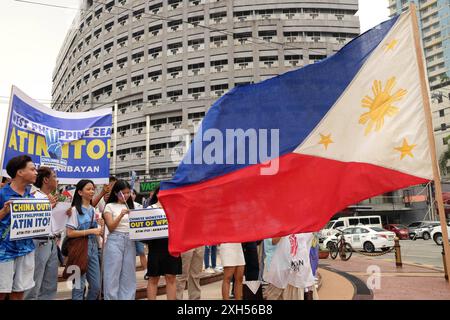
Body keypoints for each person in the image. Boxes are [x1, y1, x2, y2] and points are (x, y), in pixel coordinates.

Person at [0, 155, 37, 300]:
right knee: (2, 291)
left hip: (26, 249)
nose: (36, 172)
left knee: (19, 291)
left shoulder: (32, 197)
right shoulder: (2, 194)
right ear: (19, 172)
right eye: (32, 169)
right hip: (4, 251)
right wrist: (3, 212)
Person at [24, 167, 59, 300]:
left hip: (52, 241)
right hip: (38, 241)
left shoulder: (52, 198)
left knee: (50, 284)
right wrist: (46, 206)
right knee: (35, 282)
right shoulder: (34, 197)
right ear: (45, 179)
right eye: (54, 176)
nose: (56, 180)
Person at [66, 179, 103, 300]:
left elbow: (96, 230)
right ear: (80, 192)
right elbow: (69, 233)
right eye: (88, 189)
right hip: (78, 250)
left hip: (92, 248)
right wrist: (92, 231)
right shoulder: (74, 210)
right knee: (78, 287)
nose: (92, 191)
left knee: (96, 286)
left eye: (93, 189)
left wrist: (100, 226)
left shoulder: (92, 210)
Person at [145, 187, 182, 300]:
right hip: (155, 247)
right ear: (156, 194)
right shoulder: (149, 209)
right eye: (161, 192)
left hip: (172, 246)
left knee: (171, 277)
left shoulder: (175, 208)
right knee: (153, 278)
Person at [102, 180, 136, 300]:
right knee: (112, 274)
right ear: (116, 193)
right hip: (115, 240)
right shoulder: (109, 206)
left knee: (129, 275)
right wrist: (121, 215)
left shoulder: (134, 206)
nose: (126, 195)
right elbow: (110, 227)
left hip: (130, 240)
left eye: (128, 193)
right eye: (123, 193)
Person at [265, 233, 318, 300]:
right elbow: (273, 241)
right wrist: (284, 230)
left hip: (299, 270)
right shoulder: (283, 225)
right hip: (282, 268)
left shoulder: (305, 227)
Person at [131, 189, 147, 270]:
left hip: (138, 233)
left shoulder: (139, 206)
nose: (131, 195)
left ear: (135, 195)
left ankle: (146, 271)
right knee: (130, 254)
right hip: (128, 233)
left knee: (141, 251)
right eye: (129, 193)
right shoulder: (122, 205)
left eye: (133, 193)